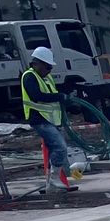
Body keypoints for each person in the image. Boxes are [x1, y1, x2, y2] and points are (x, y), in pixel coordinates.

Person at [20, 47, 82, 189]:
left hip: (50, 119)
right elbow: (37, 96)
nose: (49, 70)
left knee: (52, 150)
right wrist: (60, 97)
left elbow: (52, 95)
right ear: (37, 63)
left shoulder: (45, 77)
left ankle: (50, 185)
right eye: (47, 67)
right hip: (39, 119)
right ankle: (55, 178)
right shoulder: (29, 77)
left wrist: (66, 100)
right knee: (60, 147)